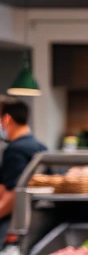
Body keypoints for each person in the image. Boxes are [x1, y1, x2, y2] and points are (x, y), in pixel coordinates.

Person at [0, 99, 48, 234]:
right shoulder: (40, 146)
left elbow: (14, 193)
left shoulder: (15, 150)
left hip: (15, 223)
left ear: (7, 119)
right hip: (38, 219)